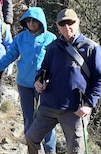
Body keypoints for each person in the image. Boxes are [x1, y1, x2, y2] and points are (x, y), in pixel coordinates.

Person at [25, 9, 101, 154]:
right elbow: (44, 70)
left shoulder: (92, 48)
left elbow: (99, 78)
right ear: (57, 25)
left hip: (75, 109)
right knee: (31, 137)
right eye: (62, 23)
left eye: (70, 22)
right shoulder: (52, 47)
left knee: (75, 151)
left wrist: (89, 104)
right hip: (49, 105)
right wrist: (38, 81)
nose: (67, 27)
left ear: (78, 22)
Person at [0, 7, 57, 153]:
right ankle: (32, 148)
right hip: (24, 83)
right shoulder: (20, 38)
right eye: (28, 20)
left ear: (41, 21)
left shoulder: (51, 39)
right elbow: (10, 56)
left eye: (35, 20)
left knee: (47, 120)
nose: (31, 23)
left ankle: (50, 150)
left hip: (44, 86)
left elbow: (57, 63)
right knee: (28, 118)